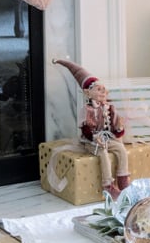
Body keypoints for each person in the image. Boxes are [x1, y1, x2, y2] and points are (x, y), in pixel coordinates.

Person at [52, 59, 130, 200]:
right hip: (91, 141)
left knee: (120, 149)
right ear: (88, 93)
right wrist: (95, 138)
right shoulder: (86, 110)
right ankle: (108, 186)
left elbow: (115, 130)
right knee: (103, 152)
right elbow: (86, 130)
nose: (103, 92)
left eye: (103, 89)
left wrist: (119, 127)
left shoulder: (110, 108)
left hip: (106, 138)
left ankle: (123, 179)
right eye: (98, 89)